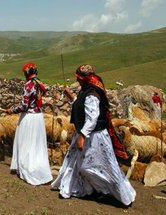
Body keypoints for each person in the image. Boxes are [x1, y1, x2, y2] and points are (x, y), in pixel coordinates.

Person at [51, 64, 136, 206]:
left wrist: (82, 136)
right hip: (86, 133)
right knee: (75, 162)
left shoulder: (92, 94)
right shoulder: (87, 89)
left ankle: (116, 193)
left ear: (84, 78)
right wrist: (72, 97)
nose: (77, 81)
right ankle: (77, 188)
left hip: (94, 136)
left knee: (94, 166)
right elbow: (82, 107)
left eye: (79, 78)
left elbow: (92, 117)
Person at [6, 62, 53, 185]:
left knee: (26, 143)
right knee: (36, 144)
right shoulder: (39, 83)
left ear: (26, 73)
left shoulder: (28, 85)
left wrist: (12, 110)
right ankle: (40, 169)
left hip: (29, 118)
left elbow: (24, 106)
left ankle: (28, 169)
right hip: (38, 117)